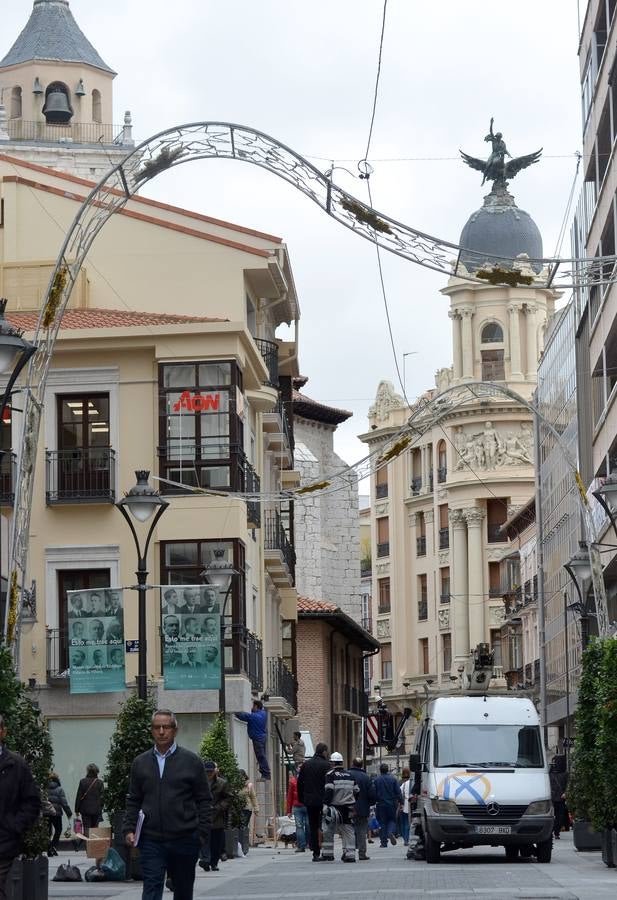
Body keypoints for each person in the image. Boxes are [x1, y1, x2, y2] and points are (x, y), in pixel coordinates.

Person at [123, 708, 212, 900]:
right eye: (157, 727)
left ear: (175, 730)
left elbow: (204, 800)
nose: (161, 732)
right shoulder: (140, 763)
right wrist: (129, 829)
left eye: (166, 727)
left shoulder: (192, 761)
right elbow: (134, 799)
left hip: (185, 838)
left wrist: (201, 835)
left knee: (183, 891)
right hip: (151, 839)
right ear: (151, 730)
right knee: (151, 888)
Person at [0, 713, 41, 898]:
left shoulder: (16, 765)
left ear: (3, 732)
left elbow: (32, 801)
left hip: (4, 843)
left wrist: (15, 826)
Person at [319, 752, 359, 863]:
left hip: (334, 808)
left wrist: (325, 804)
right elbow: (357, 791)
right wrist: (351, 800)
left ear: (332, 763)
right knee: (348, 830)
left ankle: (328, 854)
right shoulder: (350, 775)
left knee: (328, 829)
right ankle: (350, 854)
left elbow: (329, 790)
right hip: (349, 807)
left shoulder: (330, 775)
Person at [297, 742, 330, 862]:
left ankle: (315, 852)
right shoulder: (326, 765)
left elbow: (300, 783)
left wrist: (302, 798)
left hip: (310, 801)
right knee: (325, 825)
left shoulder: (306, 765)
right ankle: (327, 851)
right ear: (324, 751)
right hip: (324, 800)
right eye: (327, 751)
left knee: (313, 825)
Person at [199, 761, 230, 872]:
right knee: (204, 840)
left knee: (216, 842)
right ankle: (205, 860)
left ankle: (214, 863)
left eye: (211, 772)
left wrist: (218, 807)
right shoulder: (199, 782)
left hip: (217, 816)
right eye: (207, 772)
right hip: (203, 816)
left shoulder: (222, 783)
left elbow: (227, 799)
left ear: (215, 771)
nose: (209, 774)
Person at [348, 757, 376, 861]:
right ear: (361, 765)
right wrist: (370, 803)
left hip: (348, 807)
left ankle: (348, 852)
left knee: (349, 830)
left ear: (353, 764)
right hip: (363, 808)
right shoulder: (366, 777)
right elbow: (372, 794)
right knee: (362, 831)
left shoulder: (347, 775)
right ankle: (362, 853)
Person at [235, 700, 270, 780]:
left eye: (253, 706)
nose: (251, 708)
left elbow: (243, 716)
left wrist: (235, 711)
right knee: (262, 756)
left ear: (256, 706)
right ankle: (265, 773)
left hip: (257, 739)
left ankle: (266, 774)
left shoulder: (254, 716)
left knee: (260, 756)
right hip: (262, 738)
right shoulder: (263, 714)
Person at [374, 762, 403, 847]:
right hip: (392, 803)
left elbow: (374, 793)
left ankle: (383, 842)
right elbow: (398, 792)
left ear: (380, 770)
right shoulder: (393, 779)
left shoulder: (376, 780)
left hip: (381, 804)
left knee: (382, 822)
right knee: (392, 820)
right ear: (387, 770)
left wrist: (374, 801)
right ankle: (390, 831)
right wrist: (401, 802)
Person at [46, 772, 72, 855]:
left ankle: (49, 847)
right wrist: (69, 813)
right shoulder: (59, 789)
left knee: (48, 832)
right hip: (56, 813)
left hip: (46, 813)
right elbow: (64, 803)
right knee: (58, 829)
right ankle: (53, 846)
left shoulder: (44, 788)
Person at [75, 763, 104, 835]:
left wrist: (76, 809)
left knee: (87, 830)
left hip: (85, 810)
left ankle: (86, 844)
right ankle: (93, 845)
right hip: (96, 810)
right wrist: (100, 807)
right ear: (97, 771)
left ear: (87, 771)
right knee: (95, 831)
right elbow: (102, 797)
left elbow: (79, 796)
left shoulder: (83, 781)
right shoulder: (100, 782)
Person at [286, 765, 308, 852]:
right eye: (299, 767)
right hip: (300, 806)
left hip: (303, 806)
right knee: (301, 826)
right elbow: (290, 796)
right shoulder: (293, 781)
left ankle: (305, 844)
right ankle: (303, 845)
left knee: (305, 826)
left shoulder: (295, 781)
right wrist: (288, 810)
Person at [239, 769, 259, 854]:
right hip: (237, 809)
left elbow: (253, 797)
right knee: (238, 826)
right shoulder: (235, 785)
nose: (239, 779)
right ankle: (239, 844)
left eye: (241, 777)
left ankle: (244, 845)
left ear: (244, 776)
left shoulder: (249, 785)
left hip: (247, 809)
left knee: (244, 826)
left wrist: (256, 808)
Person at [550, 755, 568, 839]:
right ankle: (553, 831)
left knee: (560, 817)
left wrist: (566, 793)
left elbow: (568, 785)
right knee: (551, 816)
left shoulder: (565, 774)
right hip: (551, 798)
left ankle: (556, 831)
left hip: (561, 798)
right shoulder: (550, 773)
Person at [399, 767, 411, 846]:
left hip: (403, 804)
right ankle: (407, 838)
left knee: (403, 823)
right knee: (408, 823)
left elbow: (399, 794)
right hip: (410, 804)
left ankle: (405, 839)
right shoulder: (412, 782)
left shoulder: (401, 783)